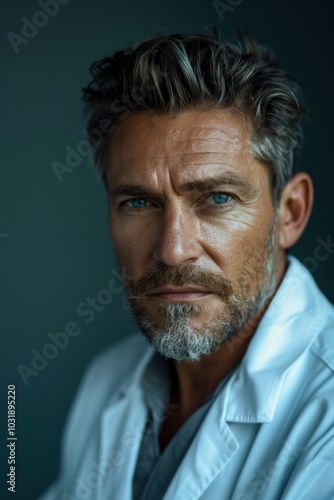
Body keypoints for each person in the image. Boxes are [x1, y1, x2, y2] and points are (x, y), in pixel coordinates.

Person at [39, 31, 334, 500]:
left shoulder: (327, 424)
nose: (173, 250)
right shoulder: (107, 379)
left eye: (217, 198)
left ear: (290, 213)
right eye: (139, 202)